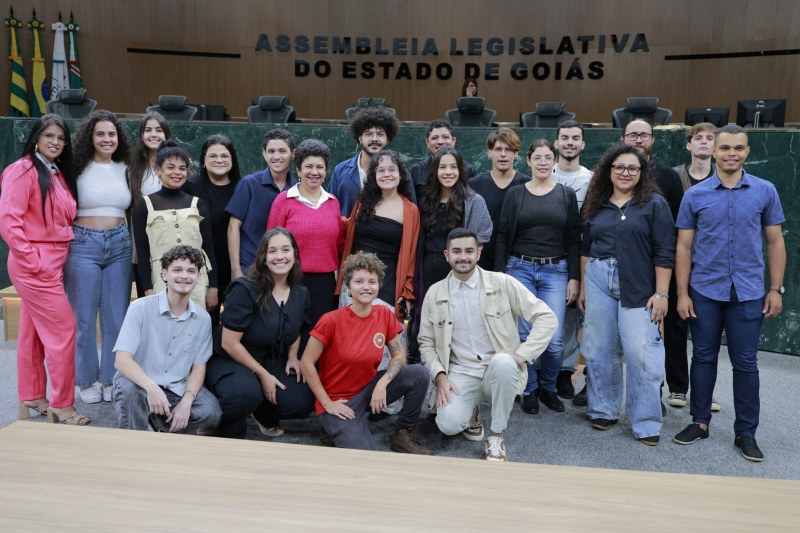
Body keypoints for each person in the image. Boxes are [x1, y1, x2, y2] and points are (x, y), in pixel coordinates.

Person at [673, 125, 786, 463]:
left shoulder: (765, 191)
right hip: (704, 290)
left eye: (738, 148)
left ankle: (746, 433)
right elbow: (683, 246)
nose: (731, 154)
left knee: (746, 363)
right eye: (725, 148)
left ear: (747, 152)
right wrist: (682, 294)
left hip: (749, 292)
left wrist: (775, 289)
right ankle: (700, 421)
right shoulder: (695, 195)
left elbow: (775, 241)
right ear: (715, 152)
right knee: (703, 357)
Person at [418, 228, 557, 462]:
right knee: (447, 424)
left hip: (497, 369)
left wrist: (522, 355)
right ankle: (472, 409)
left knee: (504, 362)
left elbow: (546, 317)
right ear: (446, 255)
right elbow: (426, 342)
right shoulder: (435, 293)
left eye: (469, 251)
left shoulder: (502, 283)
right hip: (460, 371)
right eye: (457, 251)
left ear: (479, 253)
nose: (463, 257)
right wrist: (440, 376)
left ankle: (496, 435)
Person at [578, 144, 675, 446]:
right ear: (608, 170)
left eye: (632, 168)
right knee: (598, 347)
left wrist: (662, 293)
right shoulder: (596, 203)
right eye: (619, 167)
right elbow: (585, 247)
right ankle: (604, 410)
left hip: (639, 281)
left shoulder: (654, 204)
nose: (625, 173)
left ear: (641, 173)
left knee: (641, 352)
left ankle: (645, 422)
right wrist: (583, 285)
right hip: (597, 278)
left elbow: (665, 251)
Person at [0, 114, 89, 425]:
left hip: (53, 260)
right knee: (64, 330)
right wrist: (33, 261)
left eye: (61, 138)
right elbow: (9, 222)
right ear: (36, 137)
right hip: (34, 262)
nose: (55, 142)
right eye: (49, 135)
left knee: (33, 332)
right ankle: (62, 404)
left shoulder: (55, 172)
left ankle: (33, 395)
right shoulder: (21, 169)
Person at [300, 251, 432, 454]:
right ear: (348, 287)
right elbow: (306, 363)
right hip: (338, 399)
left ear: (379, 285)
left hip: (369, 389)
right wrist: (327, 403)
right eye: (359, 281)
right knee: (364, 455)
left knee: (419, 374)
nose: (366, 287)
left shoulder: (384, 315)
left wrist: (382, 383)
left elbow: (399, 356)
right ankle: (330, 425)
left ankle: (403, 432)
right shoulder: (330, 320)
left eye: (372, 281)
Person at [494, 139, 580, 415]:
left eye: (547, 158)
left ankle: (549, 388)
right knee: (523, 333)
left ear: (555, 162)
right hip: (520, 268)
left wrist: (574, 278)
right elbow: (503, 235)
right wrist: (499, 276)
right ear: (528, 161)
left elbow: (573, 239)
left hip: (556, 271)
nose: (543, 162)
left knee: (553, 337)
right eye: (537, 158)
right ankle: (528, 390)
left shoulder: (566, 195)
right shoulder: (516, 194)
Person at [205, 228, 315, 439]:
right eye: (273, 251)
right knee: (242, 395)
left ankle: (262, 411)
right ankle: (223, 422)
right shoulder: (245, 289)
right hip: (230, 359)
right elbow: (229, 343)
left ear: (294, 255)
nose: (280, 256)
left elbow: (298, 327)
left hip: (270, 357)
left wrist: (293, 356)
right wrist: (263, 375)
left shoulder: (300, 292)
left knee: (300, 401)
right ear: (264, 257)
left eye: (286, 250)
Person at [112, 245, 222, 432]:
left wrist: (187, 401)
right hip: (139, 384)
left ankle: (153, 423)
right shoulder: (140, 308)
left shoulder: (203, 319)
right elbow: (121, 361)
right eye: (177, 270)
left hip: (175, 389)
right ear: (164, 274)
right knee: (128, 390)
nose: (184, 276)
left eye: (191, 271)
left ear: (199, 277)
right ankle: (139, 434)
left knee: (211, 411)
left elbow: (199, 367)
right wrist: (151, 387)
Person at [64, 110, 132, 405]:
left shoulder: (126, 168)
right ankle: (86, 380)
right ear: (89, 137)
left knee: (116, 317)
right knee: (84, 319)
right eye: (100, 134)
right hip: (83, 244)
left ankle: (109, 379)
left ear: (119, 138)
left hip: (120, 243)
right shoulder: (75, 168)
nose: (107, 139)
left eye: (111, 134)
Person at [621, 118, 684, 416]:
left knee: (655, 337)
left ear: (652, 140)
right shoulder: (612, 174)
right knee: (618, 338)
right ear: (623, 138)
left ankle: (658, 392)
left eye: (644, 135)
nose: (638, 139)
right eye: (632, 134)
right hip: (621, 265)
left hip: (658, 267)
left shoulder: (669, 177)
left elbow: (676, 230)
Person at [666, 122, 718, 410]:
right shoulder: (675, 177)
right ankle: (677, 388)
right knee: (675, 328)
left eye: (710, 138)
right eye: (698, 138)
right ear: (689, 145)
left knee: (706, 332)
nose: (704, 142)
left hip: (710, 264)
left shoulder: (723, 178)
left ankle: (705, 391)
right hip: (677, 261)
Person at [267, 139, 345, 327]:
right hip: (291, 278)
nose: (314, 172)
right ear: (298, 170)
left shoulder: (332, 202)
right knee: (290, 331)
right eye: (308, 166)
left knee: (320, 333)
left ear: (326, 172)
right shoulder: (284, 200)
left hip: (326, 283)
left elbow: (339, 243)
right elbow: (271, 243)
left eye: (320, 167)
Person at [132, 140, 217, 309]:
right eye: (170, 167)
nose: (177, 172)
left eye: (182, 168)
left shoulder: (198, 204)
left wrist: (213, 287)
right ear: (158, 169)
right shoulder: (144, 205)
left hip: (197, 282)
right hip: (160, 281)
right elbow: (142, 253)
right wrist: (148, 289)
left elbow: (208, 247)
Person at [336, 149, 420, 319]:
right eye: (381, 170)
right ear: (374, 175)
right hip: (353, 285)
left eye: (392, 170)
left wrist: (407, 291)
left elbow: (411, 256)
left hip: (385, 289)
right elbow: (347, 234)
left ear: (400, 174)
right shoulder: (363, 203)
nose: (386, 174)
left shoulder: (410, 210)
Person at [551, 120, 593, 402]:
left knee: (568, 317)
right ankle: (536, 373)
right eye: (564, 137)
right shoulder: (543, 171)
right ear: (556, 143)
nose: (569, 142)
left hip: (576, 254)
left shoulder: (592, 180)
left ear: (582, 144)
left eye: (574, 138)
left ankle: (565, 372)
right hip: (543, 252)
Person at [183, 135, 242, 326]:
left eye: (225, 156)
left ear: (232, 159)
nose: (219, 160)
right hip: (200, 267)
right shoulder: (190, 187)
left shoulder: (242, 187)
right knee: (202, 324)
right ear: (204, 159)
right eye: (213, 156)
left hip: (235, 266)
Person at [226, 128, 296, 279]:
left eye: (282, 151)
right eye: (271, 151)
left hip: (284, 271)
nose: (276, 156)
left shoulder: (297, 189)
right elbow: (233, 226)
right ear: (264, 154)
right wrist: (235, 269)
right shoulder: (249, 184)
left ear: (293, 154)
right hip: (250, 269)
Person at [328, 106, 415, 216]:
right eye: (368, 134)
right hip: (347, 232)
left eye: (380, 134)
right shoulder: (340, 171)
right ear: (359, 138)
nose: (374, 139)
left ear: (387, 139)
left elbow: (410, 211)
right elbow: (329, 210)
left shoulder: (400, 173)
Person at [469, 127, 530, 270]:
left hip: (517, 260)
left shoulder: (527, 184)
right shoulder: (474, 184)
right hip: (482, 258)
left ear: (516, 154)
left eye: (508, 149)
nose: (503, 154)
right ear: (489, 152)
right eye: (498, 149)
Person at [127, 112, 171, 297]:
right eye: (148, 130)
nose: (153, 134)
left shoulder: (176, 164)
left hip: (169, 234)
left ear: (166, 134)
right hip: (142, 239)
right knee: (148, 294)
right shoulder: (133, 168)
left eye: (158, 130)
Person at [408, 119, 476, 202]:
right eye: (434, 138)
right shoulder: (415, 171)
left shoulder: (467, 169)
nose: (440, 142)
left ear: (453, 141)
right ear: (427, 143)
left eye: (445, 137)